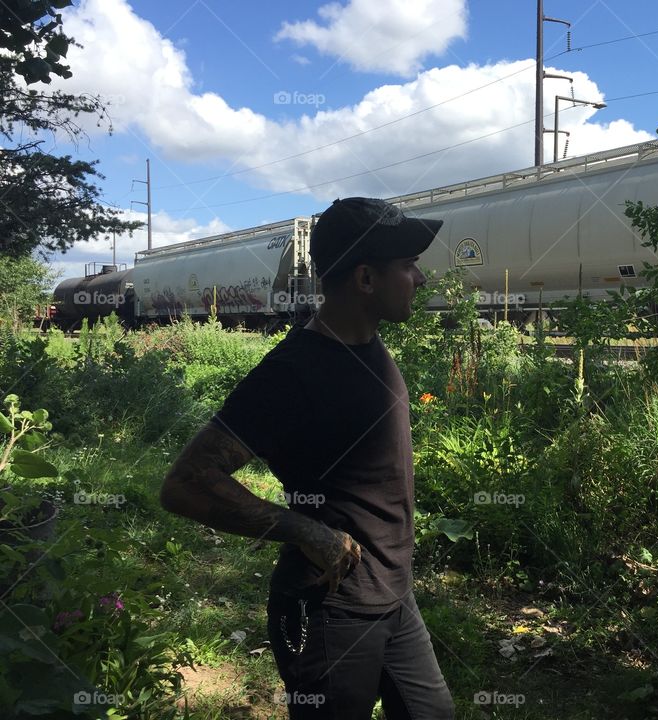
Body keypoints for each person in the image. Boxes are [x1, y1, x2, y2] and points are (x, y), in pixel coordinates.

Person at [160, 197, 455, 720]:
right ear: (366, 279)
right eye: (408, 266)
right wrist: (306, 531)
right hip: (331, 612)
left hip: (393, 594)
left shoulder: (368, 346)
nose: (421, 279)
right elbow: (186, 482)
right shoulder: (292, 372)